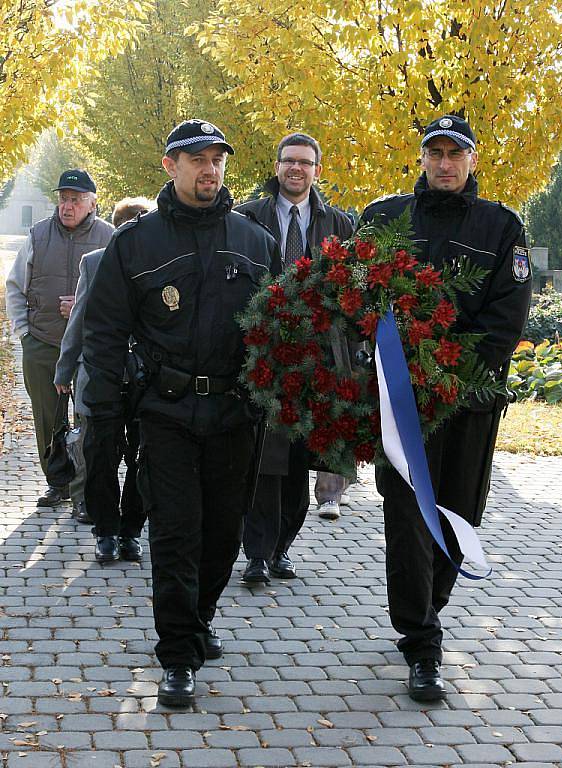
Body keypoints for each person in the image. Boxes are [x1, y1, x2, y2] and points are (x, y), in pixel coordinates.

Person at [81, 119, 280, 707]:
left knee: (222, 532)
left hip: (234, 414)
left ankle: (200, 616)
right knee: (175, 534)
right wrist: (103, 409)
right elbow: (105, 330)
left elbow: (279, 329)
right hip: (164, 413)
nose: (209, 169)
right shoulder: (136, 242)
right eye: (196, 159)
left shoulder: (254, 242)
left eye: (217, 159)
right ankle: (177, 655)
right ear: (170, 165)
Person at [361, 115, 532, 701]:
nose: (444, 163)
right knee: (406, 515)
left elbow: (505, 321)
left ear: (473, 161)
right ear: (422, 158)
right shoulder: (384, 218)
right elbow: (356, 296)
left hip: (468, 402)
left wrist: (443, 371)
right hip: (399, 405)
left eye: (455, 153)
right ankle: (422, 640)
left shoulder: (502, 227)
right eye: (434, 152)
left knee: (458, 515)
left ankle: (428, 603)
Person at [235, 133, 354, 584]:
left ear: (316, 171)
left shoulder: (340, 225)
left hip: (317, 359)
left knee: (300, 460)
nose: (296, 169)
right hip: (263, 354)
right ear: (278, 166)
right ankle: (257, 553)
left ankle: (283, 546)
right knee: (265, 457)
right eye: (288, 161)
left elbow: (351, 288)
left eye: (305, 162)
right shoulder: (247, 218)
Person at [5, 169, 114, 509]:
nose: (67, 206)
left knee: (87, 421)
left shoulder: (110, 237)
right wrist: (25, 335)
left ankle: (84, 490)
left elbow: (120, 295)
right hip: (42, 343)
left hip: (90, 349)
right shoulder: (38, 235)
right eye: (63, 199)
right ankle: (58, 483)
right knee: (48, 420)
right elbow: (15, 287)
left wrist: (83, 305)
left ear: (92, 203)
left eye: (76, 200)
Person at [54, 197, 155, 563]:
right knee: (99, 456)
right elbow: (79, 319)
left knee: (144, 456)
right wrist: (65, 370)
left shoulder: (159, 266)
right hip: (101, 374)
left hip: (146, 379)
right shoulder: (95, 264)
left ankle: (131, 530)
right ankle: (106, 531)